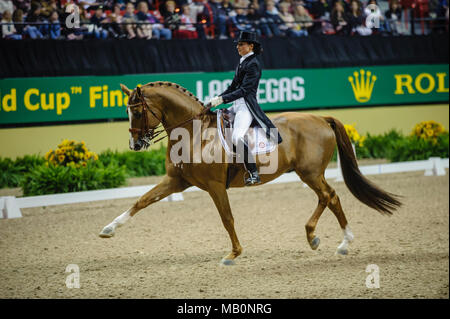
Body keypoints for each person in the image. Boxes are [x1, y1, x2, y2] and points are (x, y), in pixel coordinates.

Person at [207, 31, 283, 186]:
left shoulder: (254, 63)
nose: (238, 47)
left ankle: (254, 173)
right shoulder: (243, 61)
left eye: (241, 44)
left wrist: (223, 99)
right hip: (236, 105)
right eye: (238, 44)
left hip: (246, 107)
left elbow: (244, 90)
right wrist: (216, 100)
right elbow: (233, 86)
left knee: (236, 137)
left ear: (251, 46)